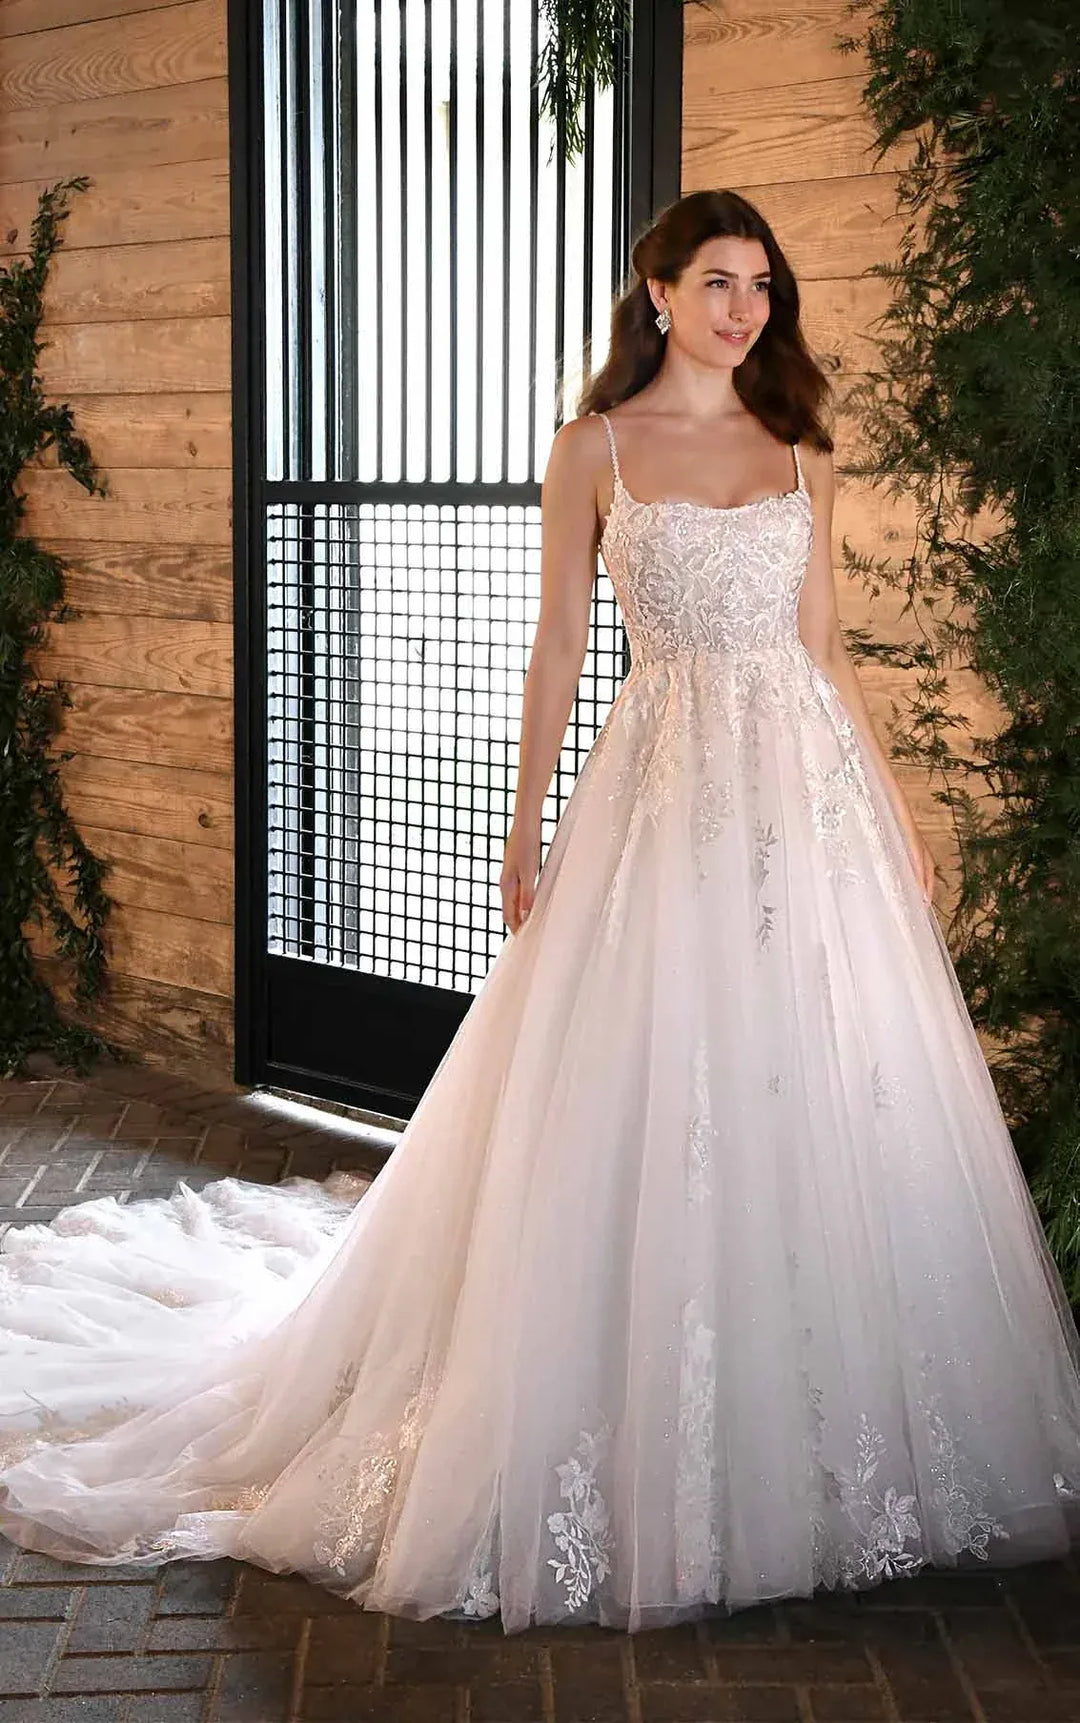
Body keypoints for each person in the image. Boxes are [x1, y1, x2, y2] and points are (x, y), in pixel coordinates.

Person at [1, 188, 1080, 1636]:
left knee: (807, 1080)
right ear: (656, 294)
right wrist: (524, 833)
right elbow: (561, 641)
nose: (743, 308)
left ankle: (804, 1417)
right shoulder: (595, 449)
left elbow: (826, 647)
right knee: (639, 1082)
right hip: (658, 785)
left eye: (760, 283)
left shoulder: (803, 445)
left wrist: (892, 808)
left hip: (799, 798)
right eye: (715, 281)